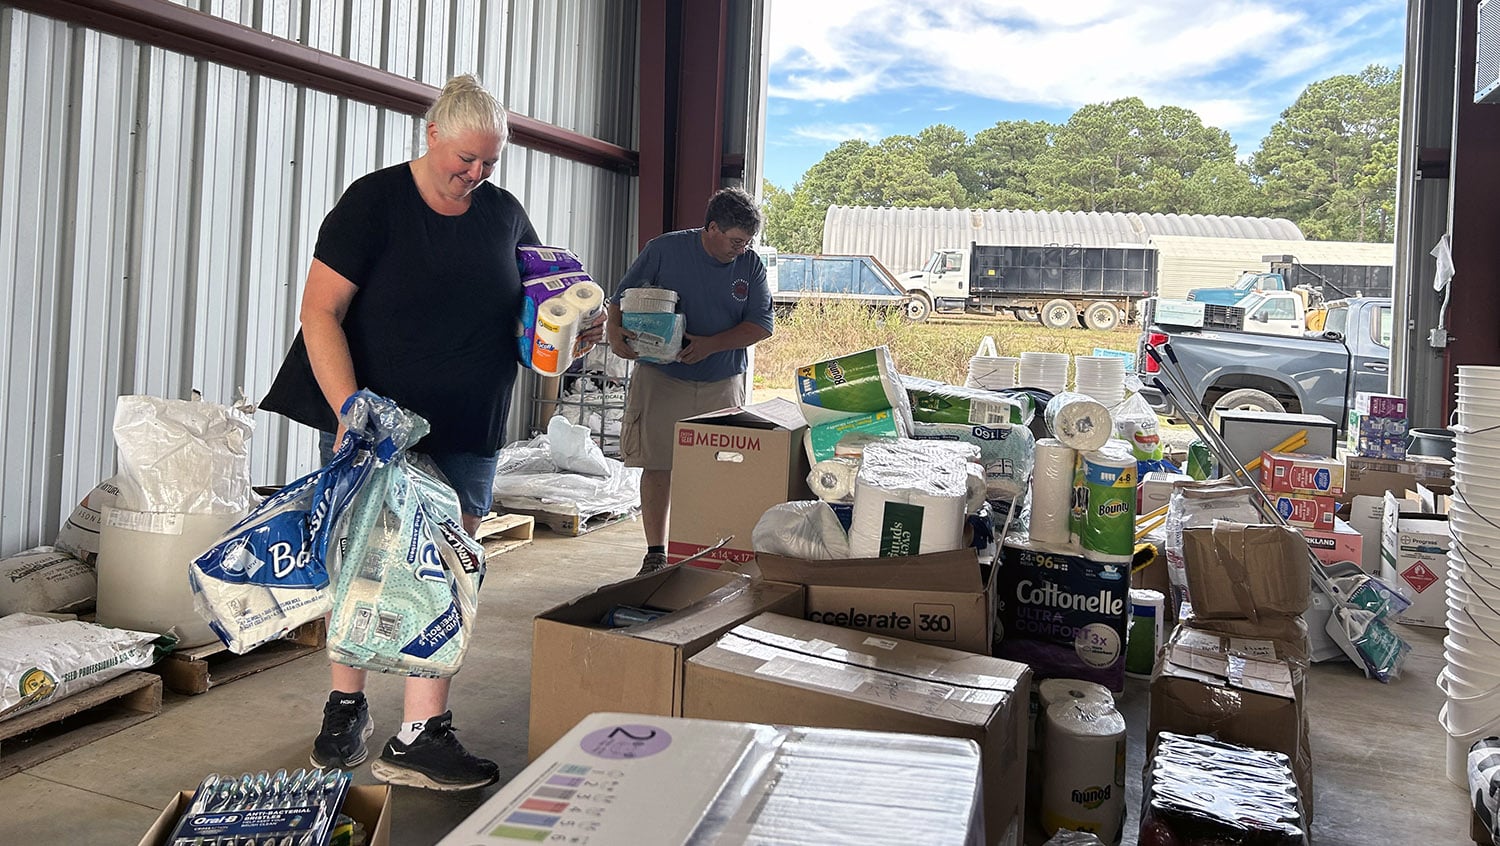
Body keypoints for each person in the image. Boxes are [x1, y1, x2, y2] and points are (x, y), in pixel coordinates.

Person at [261, 74, 601, 791]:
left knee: (447, 571)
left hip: (469, 425)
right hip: (377, 424)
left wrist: (577, 333)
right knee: (359, 564)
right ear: (433, 134)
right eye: (465, 160)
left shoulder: (504, 215)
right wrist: (352, 408)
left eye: (489, 164)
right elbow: (318, 313)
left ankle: (421, 734)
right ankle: (346, 707)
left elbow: (540, 315)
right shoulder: (373, 203)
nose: (475, 176)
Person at [606, 188, 773, 575]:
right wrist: (615, 333)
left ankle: (710, 550)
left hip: (721, 380)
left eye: (747, 242)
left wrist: (711, 346)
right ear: (711, 227)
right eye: (735, 241)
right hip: (661, 376)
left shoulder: (751, 266)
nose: (741, 249)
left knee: (718, 472)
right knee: (658, 464)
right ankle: (655, 553)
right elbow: (621, 297)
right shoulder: (664, 250)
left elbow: (761, 325)